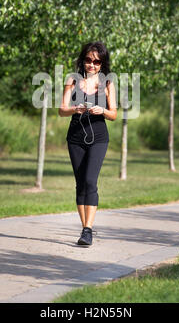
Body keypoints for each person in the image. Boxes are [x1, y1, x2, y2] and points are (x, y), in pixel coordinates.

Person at [59, 42, 117, 246]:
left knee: (91, 181)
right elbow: (61, 109)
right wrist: (75, 109)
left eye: (96, 61)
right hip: (75, 137)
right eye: (88, 60)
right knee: (80, 183)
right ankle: (85, 229)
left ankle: (88, 229)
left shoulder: (108, 84)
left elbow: (114, 114)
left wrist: (102, 111)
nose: (91, 65)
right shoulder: (72, 80)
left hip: (99, 138)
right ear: (83, 60)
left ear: (102, 64)